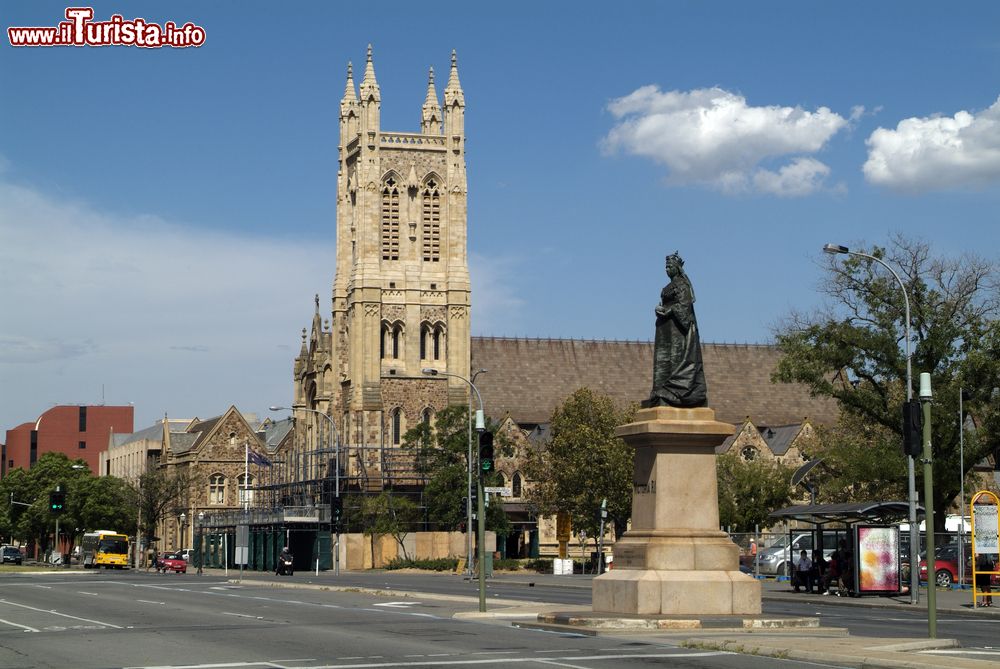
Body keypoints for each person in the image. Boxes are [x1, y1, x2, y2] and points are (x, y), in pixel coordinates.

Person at [644, 252, 708, 408]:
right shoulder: (668, 286)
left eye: (670, 266)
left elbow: (684, 306)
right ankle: (662, 389)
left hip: (678, 330)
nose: (667, 269)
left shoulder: (682, 284)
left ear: (677, 268)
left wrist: (669, 310)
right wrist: (660, 310)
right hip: (666, 330)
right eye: (665, 267)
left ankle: (676, 392)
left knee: (676, 359)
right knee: (663, 361)